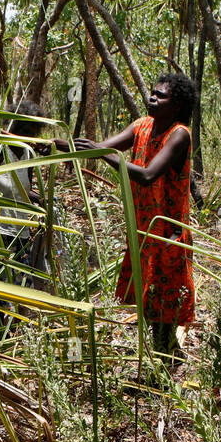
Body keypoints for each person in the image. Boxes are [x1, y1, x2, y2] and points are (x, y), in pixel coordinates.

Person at [57, 74, 196, 356]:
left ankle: (164, 360)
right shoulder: (142, 125)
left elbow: (147, 174)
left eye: (161, 96)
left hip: (168, 231)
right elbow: (100, 147)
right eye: (152, 93)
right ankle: (164, 355)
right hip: (143, 228)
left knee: (163, 299)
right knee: (148, 297)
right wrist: (54, 145)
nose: (152, 98)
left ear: (178, 105)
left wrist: (101, 152)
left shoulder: (179, 134)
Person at [0, 100, 51, 277]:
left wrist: (41, 200)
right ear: (12, 127)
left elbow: (23, 189)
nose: (26, 136)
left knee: (20, 282)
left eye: (32, 133)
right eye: (23, 131)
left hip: (21, 231)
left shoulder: (28, 154)